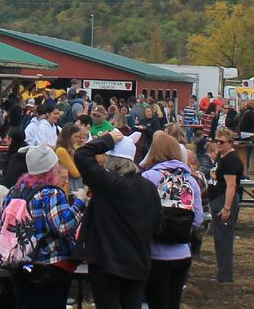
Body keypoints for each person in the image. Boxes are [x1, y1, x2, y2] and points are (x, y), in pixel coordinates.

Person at [74, 130, 162, 309]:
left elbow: (81, 155)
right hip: (138, 262)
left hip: (106, 263)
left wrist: (107, 140)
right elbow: (158, 227)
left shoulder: (107, 183)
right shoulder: (149, 188)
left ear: (112, 160)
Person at [0, 144, 87, 308]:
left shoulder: (15, 190)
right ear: (51, 167)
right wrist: (80, 201)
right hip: (50, 266)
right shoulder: (51, 193)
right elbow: (62, 226)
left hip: (23, 264)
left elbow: (0, 217)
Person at [141, 132, 203, 309]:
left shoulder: (148, 177)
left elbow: (141, 216)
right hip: (182, 252)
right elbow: (197, 219)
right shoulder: (190, 179)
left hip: (155, 253)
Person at [209, 127, 244, 283]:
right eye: (217, 141)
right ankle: (222, 272)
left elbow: (231, 186)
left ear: (230, 143)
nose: (218, 144)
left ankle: (225, 274)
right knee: (219, 237)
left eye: (222, 142)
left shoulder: (231, 159)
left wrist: (226, 208)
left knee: (224, 238)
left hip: (224, 199)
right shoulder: (222, 156)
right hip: (218, 198)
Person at [54, 123, 85, 193]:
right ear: (68, 136)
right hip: (67, 188)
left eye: (78, 137)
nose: (78, 139)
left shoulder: (72, 149)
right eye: (75, 136)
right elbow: (75, 173)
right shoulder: (61, 150)